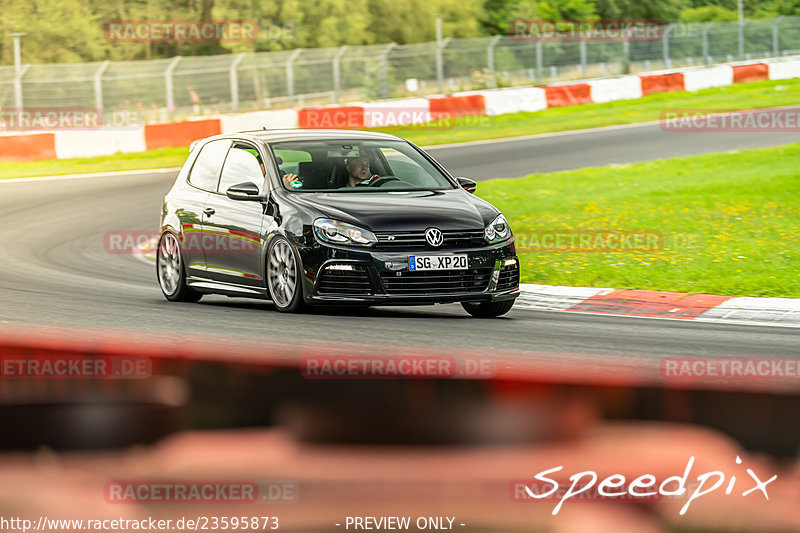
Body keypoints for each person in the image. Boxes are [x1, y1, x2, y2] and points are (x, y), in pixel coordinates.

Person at [282, 157, 377, 189]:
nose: (365, 167)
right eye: (359, 163)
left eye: (367, 165)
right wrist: (289, 187)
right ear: (348, 167)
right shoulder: (330, 189)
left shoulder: (374, 186)